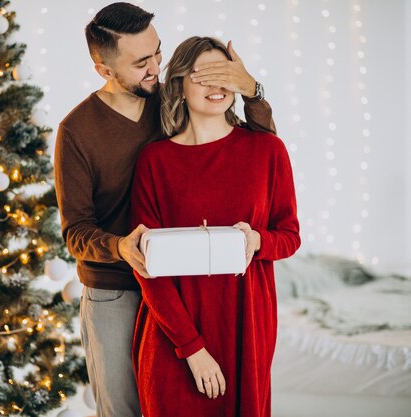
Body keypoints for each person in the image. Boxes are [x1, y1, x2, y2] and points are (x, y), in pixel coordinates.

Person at [54, 3, 276, 416]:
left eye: (158, 52)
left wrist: (252, 90)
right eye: (142, 62)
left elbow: (258, 155)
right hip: (117, 289)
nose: (156, 66)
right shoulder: (77, 131)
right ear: (104, 70)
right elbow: (75, 231)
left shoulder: (169, 99)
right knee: (125, 408)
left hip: (184, 288)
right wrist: (122, 247)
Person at [129, 36, 301, 417]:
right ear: (179, 85)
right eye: (202, 76)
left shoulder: (267, 150)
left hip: (246, 327)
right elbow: (147, 269)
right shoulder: (154, 161)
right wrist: (192, 348)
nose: (216, 86)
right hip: (174, 336)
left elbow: (289, 236)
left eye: (224, 76)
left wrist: (258, 240)